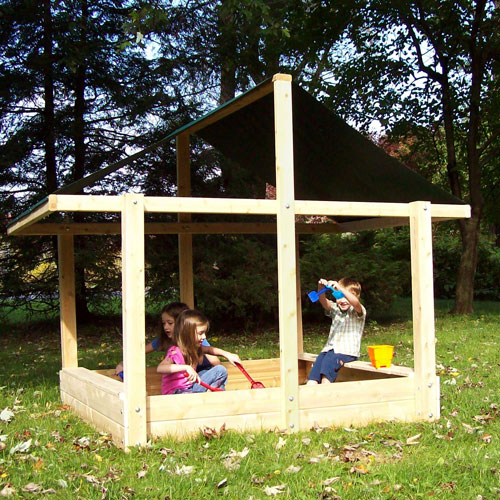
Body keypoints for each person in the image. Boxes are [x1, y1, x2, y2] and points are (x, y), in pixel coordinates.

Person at [114, 302, 220, 377]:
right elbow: (139, 352)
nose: (165, 327)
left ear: (182, 324)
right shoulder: (164, 340)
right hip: (182, 380)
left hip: (202, 374)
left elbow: (215, 361)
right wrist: (123, 364)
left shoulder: (196, 339)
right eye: (163, 323)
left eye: (170, 323)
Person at [157, 308, 241, 394]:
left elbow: (210, 349)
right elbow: (160, 368)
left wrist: (227, 354)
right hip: (176, 393)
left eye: (204, 333)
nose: (204, 337)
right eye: (200, 333)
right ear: (187, 333)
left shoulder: (195, 348)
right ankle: (210, 396)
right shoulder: (175, 351)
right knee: (218, 371)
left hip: (191, 389)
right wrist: (186, 367)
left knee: (217, 372)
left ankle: (212, 395)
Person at [307, 277, 366, 385]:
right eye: (339, 296)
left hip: (345, 352)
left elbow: (356, 303)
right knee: (313, 378)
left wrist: (340, 288)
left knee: (326, 376)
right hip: (329, 350)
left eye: (346, 297)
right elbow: (324, 302)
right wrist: (321, 288)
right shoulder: (336, 310)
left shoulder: (357, 311)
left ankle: (327, 398)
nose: (342, 300)